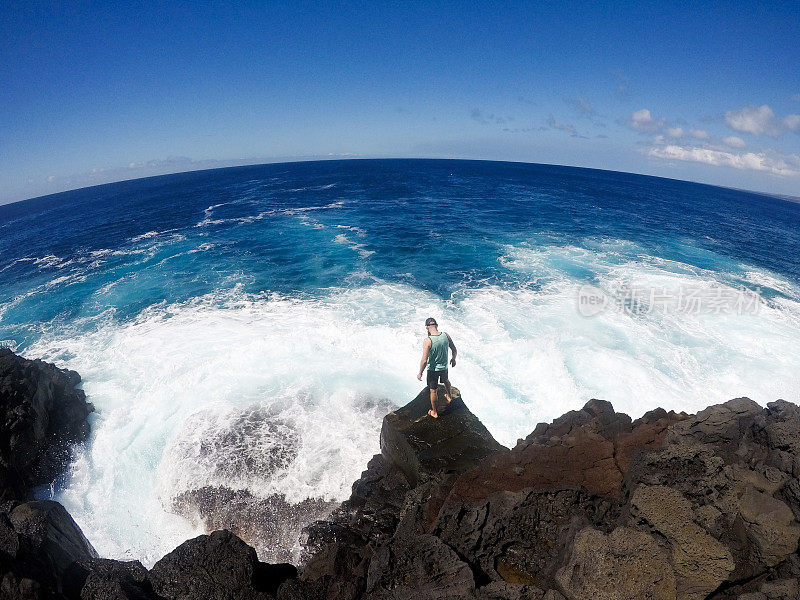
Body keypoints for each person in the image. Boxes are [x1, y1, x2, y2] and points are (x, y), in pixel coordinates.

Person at [416, 317, 457, 418]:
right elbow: (454, 349)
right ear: (436, 326)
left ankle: (434, 412)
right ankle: (449, 396)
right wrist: (453, 359)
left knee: (433, 390)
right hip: (444, 367)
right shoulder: (445, 335)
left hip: (433, 370)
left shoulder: (428, 340)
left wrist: (420, 372)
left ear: (427, 328)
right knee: (446, 380)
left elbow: (424, 360)